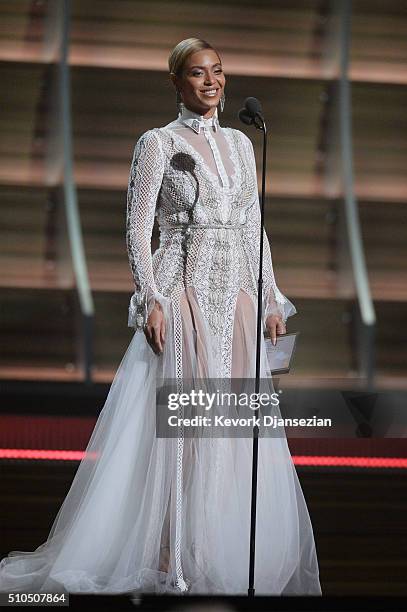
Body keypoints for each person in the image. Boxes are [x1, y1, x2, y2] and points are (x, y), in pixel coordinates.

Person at [0, 38, 321, 595]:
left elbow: (253, 228)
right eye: (197, 74)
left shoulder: (244, 145)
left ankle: (220, 546)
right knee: (184, 427)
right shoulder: (157, 143)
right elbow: (137, 224)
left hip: (236, 298)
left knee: (231, 425)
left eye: (217, 71)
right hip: (183, 291)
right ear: (176, 82)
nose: (211, 82)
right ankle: (174, 554)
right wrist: (148, 298)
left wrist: (271, 296)